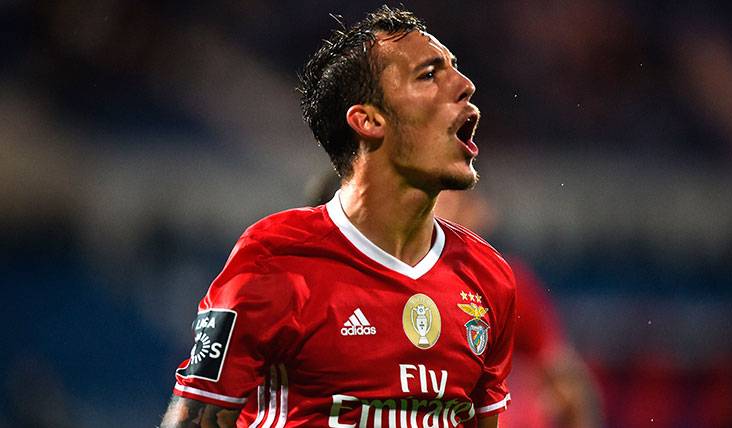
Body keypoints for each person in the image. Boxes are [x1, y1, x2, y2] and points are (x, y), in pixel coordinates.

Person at [160, 6, 516, 428]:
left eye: (455, 70)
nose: (466, 85)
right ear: (368, 120)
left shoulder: (488, 279)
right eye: (428, 75)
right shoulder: (274, 259)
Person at [434, 191, 604, 428]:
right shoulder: (390, 283)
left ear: (479, 213)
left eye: (446, 203)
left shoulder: (505, 285)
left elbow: (568, 385)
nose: (436, 216)